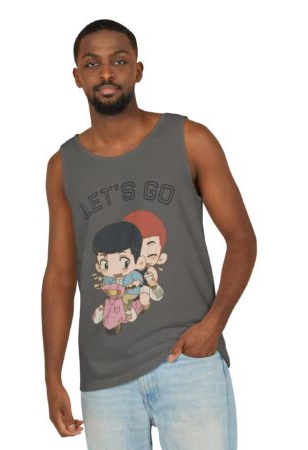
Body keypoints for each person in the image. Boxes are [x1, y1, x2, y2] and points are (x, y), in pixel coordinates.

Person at [42, 18, 257, 450]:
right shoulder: (63, 167)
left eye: (119, 61)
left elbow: (241, 238)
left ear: (138, 70)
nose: (106, 73)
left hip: (188, 362)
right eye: (92, 63)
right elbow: (61, 275)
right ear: (77, 76)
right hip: (104, 379)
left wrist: (213, 325)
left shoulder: (190, 139)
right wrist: (52, 376)